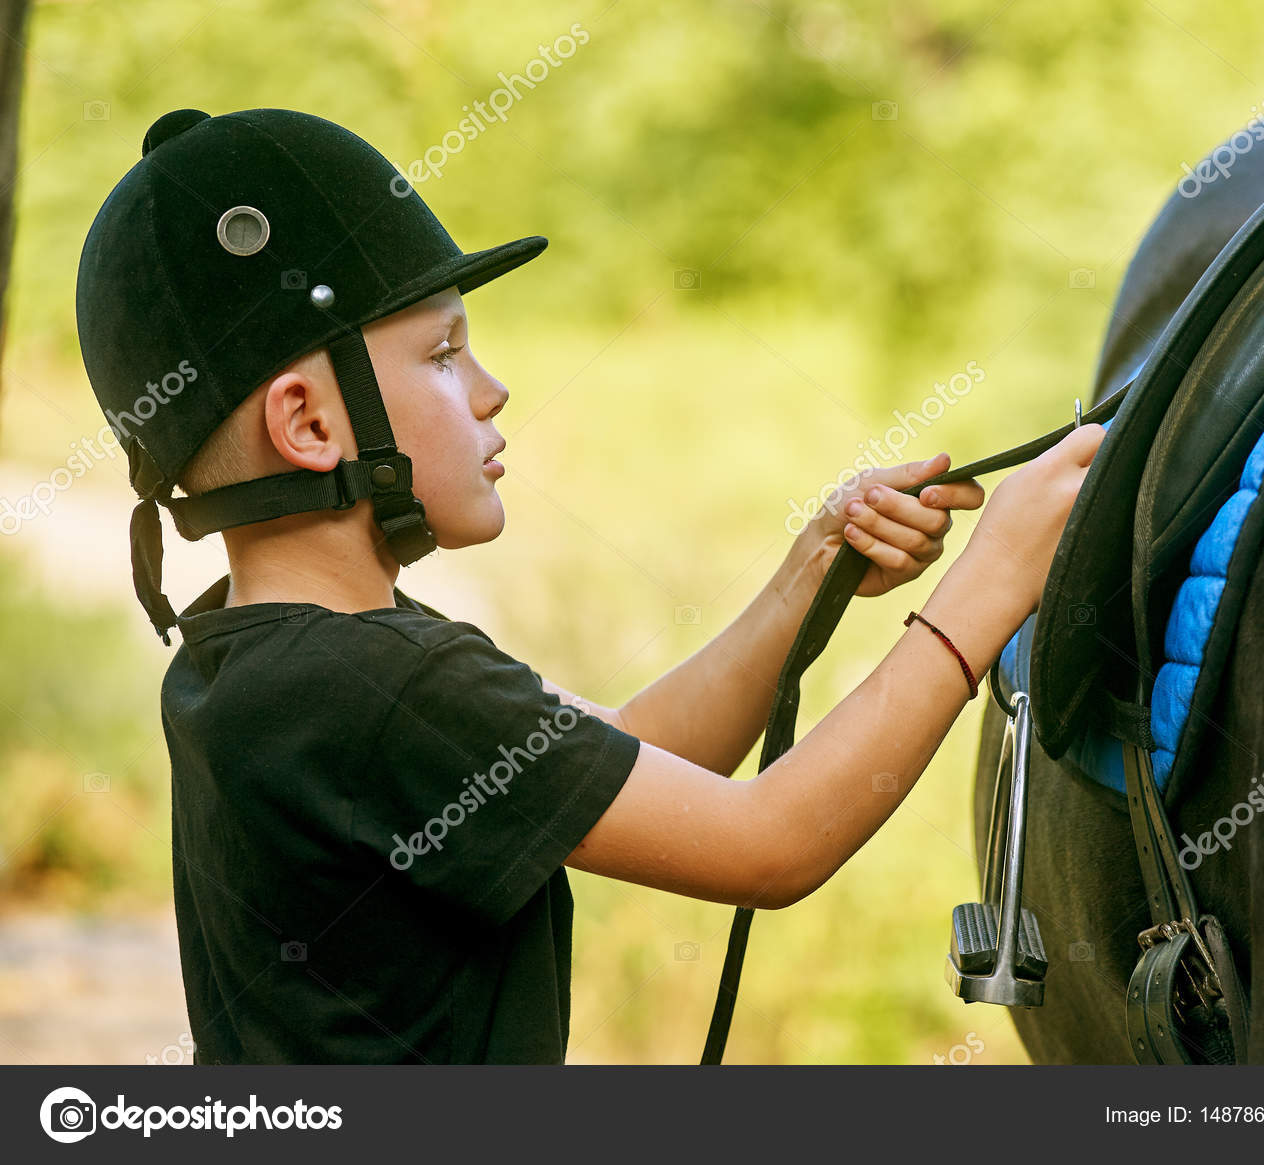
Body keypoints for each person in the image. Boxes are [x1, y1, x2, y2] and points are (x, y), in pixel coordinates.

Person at [75, 107, 1105, 1064]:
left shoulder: (261, 659)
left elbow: (637, 751)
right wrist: (991, 582)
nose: (491, 389)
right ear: (309, 424)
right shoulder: (379, 685)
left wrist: (810, 571)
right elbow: (769, 842)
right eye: (442, 353)